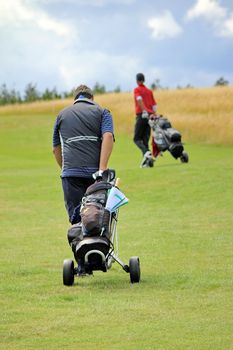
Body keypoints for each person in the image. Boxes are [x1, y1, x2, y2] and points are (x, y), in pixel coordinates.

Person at [53, 84, 114, 273]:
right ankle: (100, 255)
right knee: (97, 214)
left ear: (75, 98)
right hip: (94, 176)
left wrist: (66, 168)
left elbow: (56, 149)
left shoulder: (61, 115)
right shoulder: (103, 112)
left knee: (77, 219)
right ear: (91, 98)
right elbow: (108, 136)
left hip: (70, 174)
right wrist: (102, 169)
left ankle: (82, 265)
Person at [133, 73, 159, 167]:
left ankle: (147, 153)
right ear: (144, 80)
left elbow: (139, 99)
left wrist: (144, 110)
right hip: (150, 116)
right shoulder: (149, 91)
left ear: (137, 80)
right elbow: (154, 106)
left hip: (142, 115)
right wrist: (153, 114)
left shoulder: (137, 89)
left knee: (136, 139)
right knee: (145, 140)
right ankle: (148, 163)